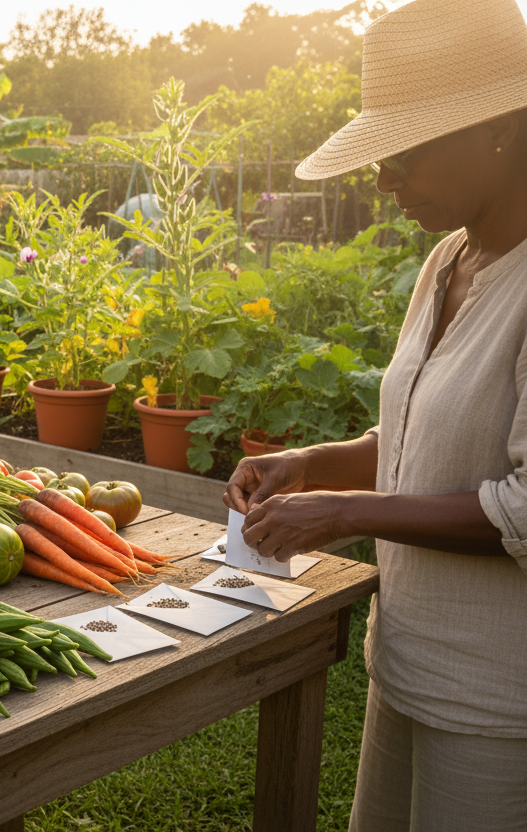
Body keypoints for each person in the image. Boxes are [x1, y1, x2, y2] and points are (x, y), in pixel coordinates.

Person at [222, 1, 527, 829]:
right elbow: (425, 440)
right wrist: (314, 464)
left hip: (502, 702)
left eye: (405, 152)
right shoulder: (448, 256)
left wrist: (347, 513)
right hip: (410, 662)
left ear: (499, 126)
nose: (383, 178)